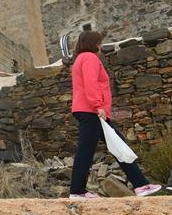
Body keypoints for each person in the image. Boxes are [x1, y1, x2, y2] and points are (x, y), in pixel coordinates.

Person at [68, 30, 162, 199]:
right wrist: (98, 106)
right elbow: (91, 84)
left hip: (89, 110)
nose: (101, 45)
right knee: (89, 150)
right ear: (94, 43)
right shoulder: (89, 58)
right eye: (99, 42)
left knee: (116, 145)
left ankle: (141, 185)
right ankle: (77, 191)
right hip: (92, 111)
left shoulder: (79, 60)